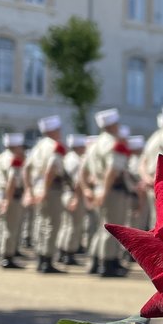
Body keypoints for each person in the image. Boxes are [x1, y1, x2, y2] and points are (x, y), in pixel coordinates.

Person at [88, 108, 137, 278]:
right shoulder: (114, 144)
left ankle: (99, 261)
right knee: (112, 227)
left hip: (101, 187)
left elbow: (88, 169)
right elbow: (113, 170)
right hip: (112, 189)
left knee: (103, 226)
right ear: (113, 125)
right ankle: (108, 264)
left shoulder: (97, 144)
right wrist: (105, 191)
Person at [24, 115, 69, 274]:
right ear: (53, 130)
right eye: (58, 129)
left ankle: (41, 257)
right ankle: (47, 260)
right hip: (51, 189)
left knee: (41, 223)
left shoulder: (37, 147)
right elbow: (51, 168)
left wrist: (30, 189)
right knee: (52, 224)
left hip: (38, 188)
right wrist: (45, 188)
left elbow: (26, 169)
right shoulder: (55, 146)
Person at [0, 133, 26, 269]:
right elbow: (12, 181)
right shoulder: (14, 160)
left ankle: (4, 253)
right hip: (10, 195)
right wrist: (8, 199)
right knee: (10, 228)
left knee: (3, 226)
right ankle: (7, 257)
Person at [57, 133, 87, 267]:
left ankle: (62, 251)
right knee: (74, 225)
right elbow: (78, 182)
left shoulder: (68, 157)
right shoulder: (76, 160)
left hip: (65, 194)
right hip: (73, 194)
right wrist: (76, 197)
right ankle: (68, 254)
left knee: (66, 224)